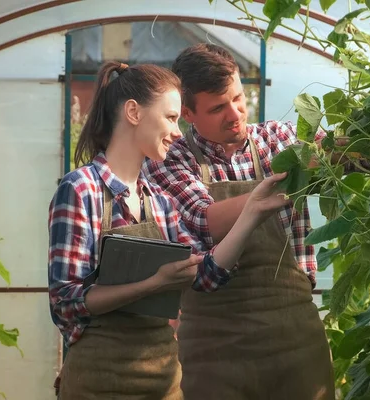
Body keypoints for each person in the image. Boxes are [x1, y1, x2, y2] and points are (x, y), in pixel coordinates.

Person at [48, 61, 289, 399]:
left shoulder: (159, 200)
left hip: (163, 379)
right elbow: (66, 301)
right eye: (171, 118)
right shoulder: (80, 190)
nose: (178, 133)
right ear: (133, 112)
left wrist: (252, 212)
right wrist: (154, 284)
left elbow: (205, 275)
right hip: (98, 379)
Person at [144, 44, 335, 400]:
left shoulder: (279, 139)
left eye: (237, 98)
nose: (234, 113)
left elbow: (336, 155)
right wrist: (270, 192)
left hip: (296, 334)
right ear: (188, 113)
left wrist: (351, 150)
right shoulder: (171, 158)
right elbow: (202, 221)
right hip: (216, 346)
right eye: (217, 108)